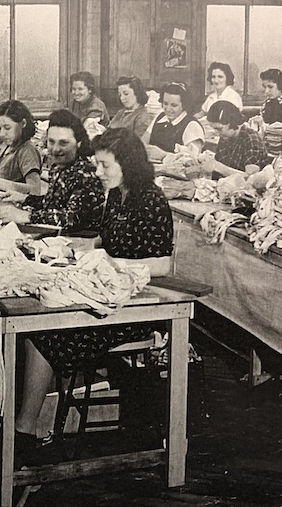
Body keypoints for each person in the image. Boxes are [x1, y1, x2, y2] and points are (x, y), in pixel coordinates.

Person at [13, 127, 173, 460]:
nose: (98, 173)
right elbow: (111, 236)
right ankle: (24, 427)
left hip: (133, 309)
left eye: (105, 166)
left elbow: (163, 265)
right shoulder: (117, 192)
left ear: (127, 164)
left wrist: (105, 258)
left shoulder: (152, 199)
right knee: (34, 320)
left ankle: (23, 433)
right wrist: (89, 245)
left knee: (43, 334)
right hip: (107, 293)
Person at [0, 109, 105, 233]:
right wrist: (24, 198)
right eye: (51, 142)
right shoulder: (58, 167)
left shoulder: (86, 174)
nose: (55, 149)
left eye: (63, 143)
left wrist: (26, 216)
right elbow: (54, 204)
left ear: (79, 143)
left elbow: (73, 218)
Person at [0, 100, 44, 195]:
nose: (2, 134)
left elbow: (35, 190)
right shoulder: (4, 144)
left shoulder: (27, 151)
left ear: (23, 124)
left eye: (7, 128)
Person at [199, 100, 267, 178]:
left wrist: (217, 166)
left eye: (219, 129)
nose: (216, 133)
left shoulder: (251, 139)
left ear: (232, 122)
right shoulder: (225, 137)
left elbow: (251, 177)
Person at [144, 82, 204, 160]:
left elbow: (193, 159)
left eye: (174, 105)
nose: (168, 109)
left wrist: (164, 155)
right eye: (165, 104)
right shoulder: (159, 117)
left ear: (184, 105)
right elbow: (143, 141)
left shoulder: (192, 125)